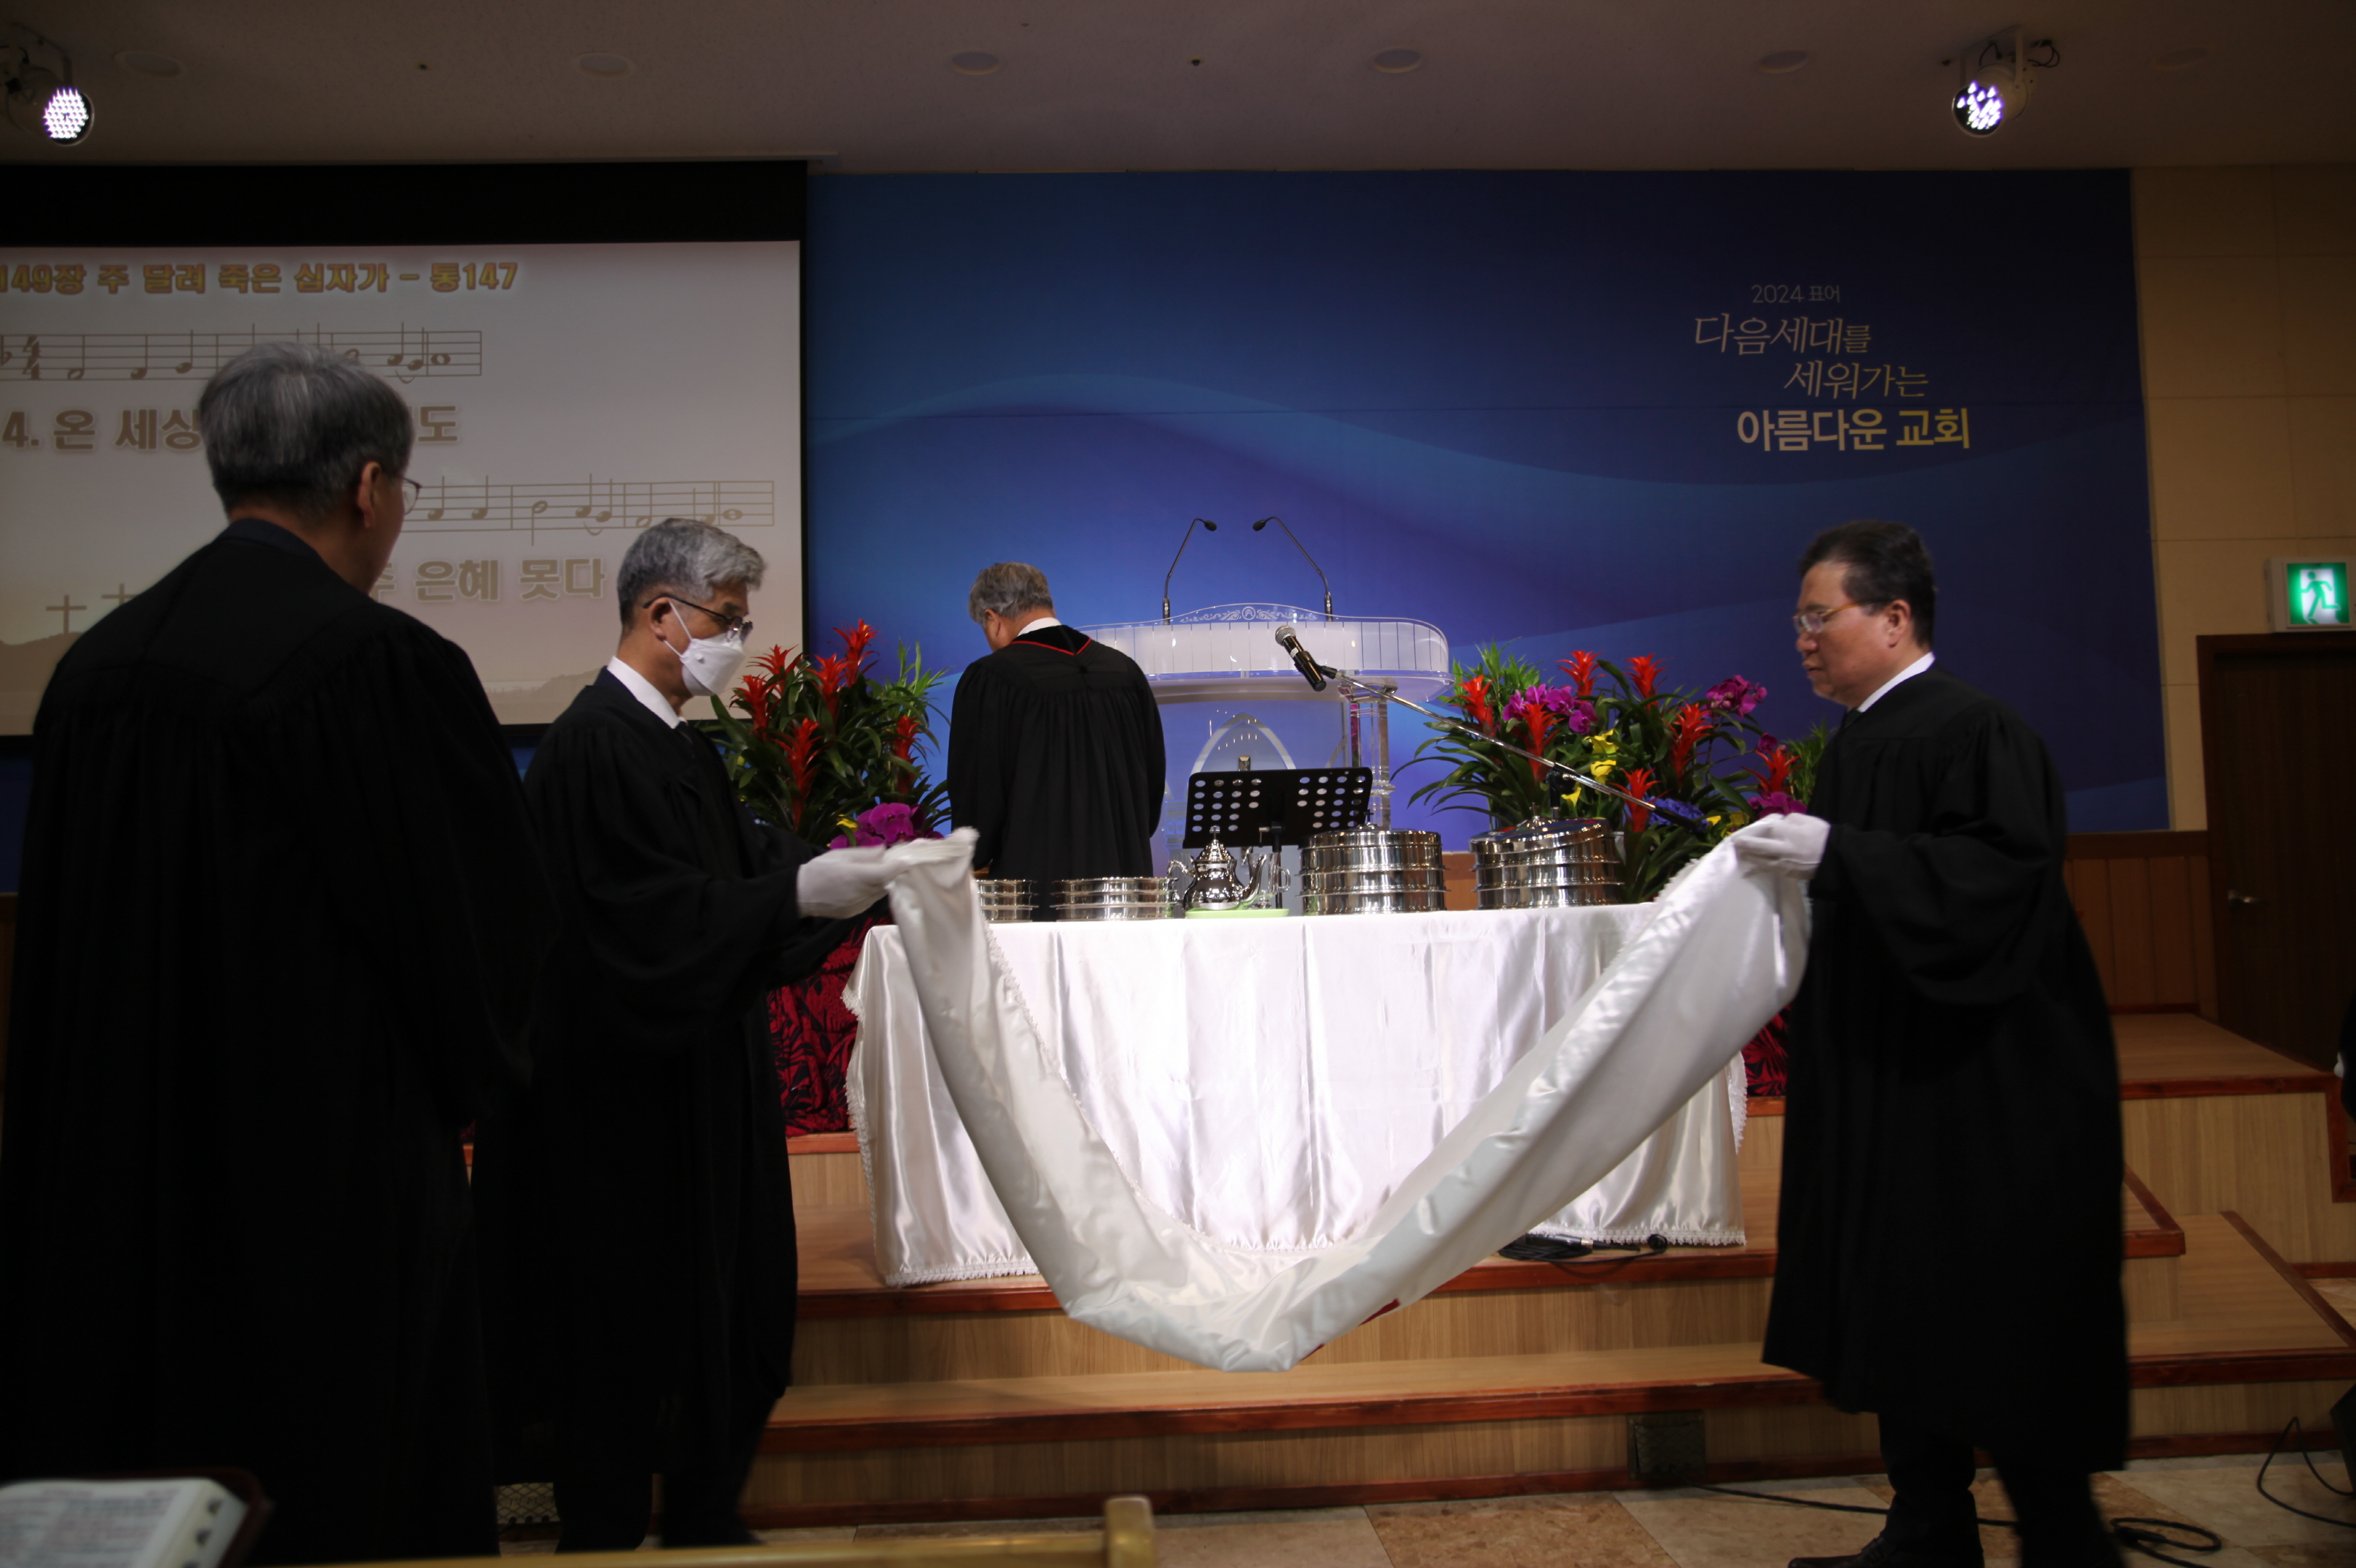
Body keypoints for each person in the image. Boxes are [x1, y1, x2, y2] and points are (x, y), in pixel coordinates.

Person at [0, 341, 553, 1563]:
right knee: (340, 1488)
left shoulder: (94, 670)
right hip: (318, 1185)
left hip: (114, 1176)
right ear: (369, 486)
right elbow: (470, 931)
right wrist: (477, 1080)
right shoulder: (380, 665)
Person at [470, 518, 894, 1551]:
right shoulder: (591, 748)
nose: (737, 643)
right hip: (620, 1105)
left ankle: (707, 1517)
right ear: (662, 614)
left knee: (721, 1306)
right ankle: (606, 1534)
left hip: (699, 1082)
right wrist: (796, 892)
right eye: (727, 621)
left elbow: (738, 873)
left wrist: (858, 878)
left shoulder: (675, 744)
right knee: (619, 1325)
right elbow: (644, 921)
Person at [1736, 520, 2127, 1568]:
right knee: (1899, 1292)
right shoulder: (1860, 740)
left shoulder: (1974, 730)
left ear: (1895, 617)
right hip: (1891, 1076)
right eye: (1797, 620)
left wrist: (1842, 855)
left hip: (1987, 1085)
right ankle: (1927, 1527)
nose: (1803, 639)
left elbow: (1999, 880)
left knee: (1998, 1304)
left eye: (1819, 616)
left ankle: (2064, 1540)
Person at [946, 562, 1165, 886]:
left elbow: (980, 796)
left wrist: (972, 856)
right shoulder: (1124, 672)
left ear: (993, 620)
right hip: (1125, 881)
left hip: (1040, 886)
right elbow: (1150, 790)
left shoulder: (993, 678)